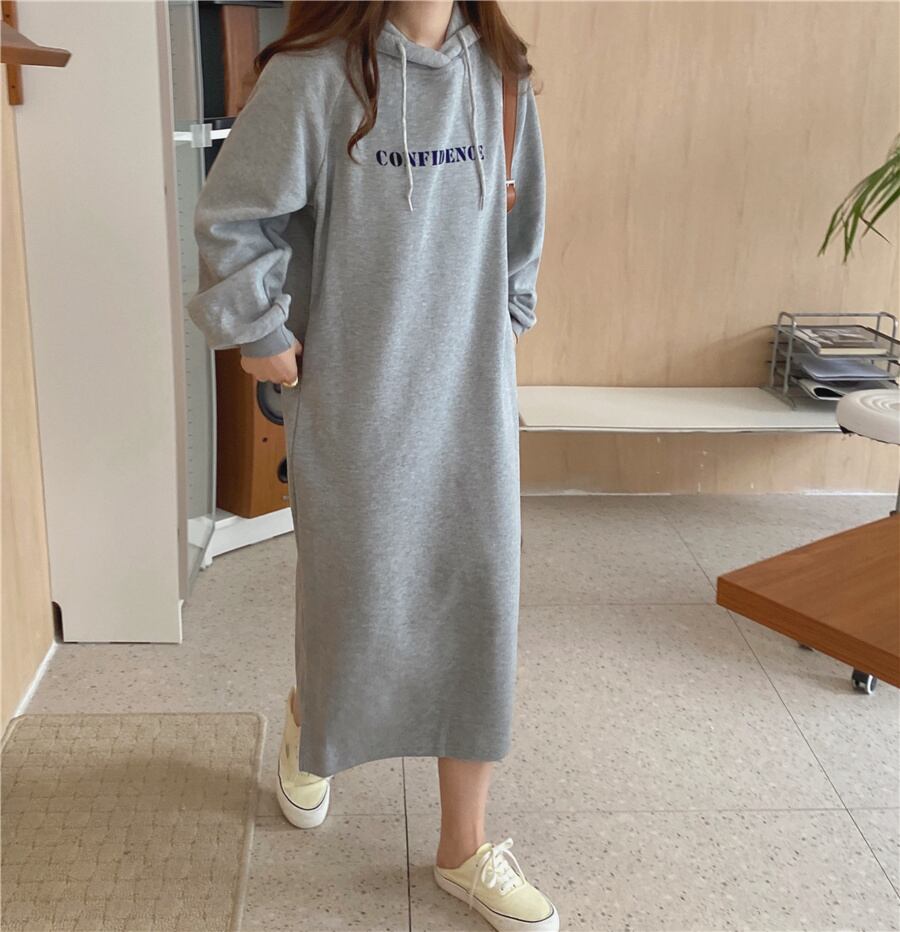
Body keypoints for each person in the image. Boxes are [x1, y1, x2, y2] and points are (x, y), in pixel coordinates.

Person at [187, 1, 552, 928]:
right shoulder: (314, 76)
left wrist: (505, 320)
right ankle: (312, 714)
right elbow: (234, 214)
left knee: (478, 597)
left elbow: (522, 223)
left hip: (469, 397)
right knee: (355, 595)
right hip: (357, 396)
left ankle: (463, 845)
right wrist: (260, 332)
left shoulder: (503, 78)